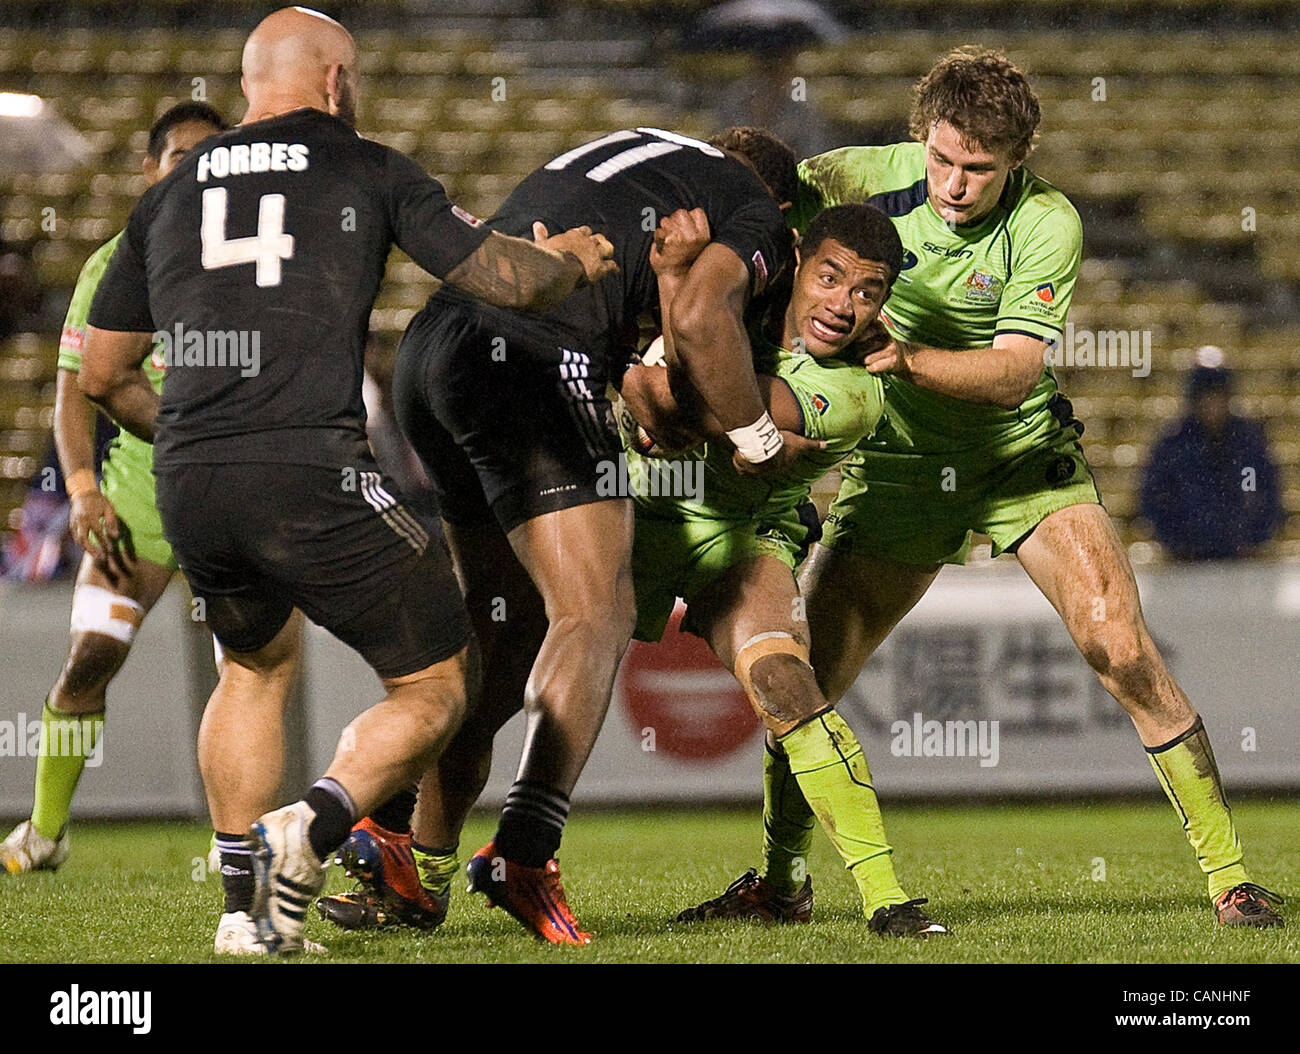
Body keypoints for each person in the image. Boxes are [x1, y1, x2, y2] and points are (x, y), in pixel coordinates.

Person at [683, 46, 1284, 928]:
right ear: (922, 134)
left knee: (1120, 646)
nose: (955, 184)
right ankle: (781, 886)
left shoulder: (1050, 224)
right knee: (809, 685)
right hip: (897, 469)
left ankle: (1230, 878)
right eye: (943, 159)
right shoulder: (854, 178)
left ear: (1017, 164)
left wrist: (904, 359)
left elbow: (1011, 374)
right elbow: (754, 201)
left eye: (978, 170)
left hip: (1017, 459)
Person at [78, 6, 615, 955]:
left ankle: (242, 915)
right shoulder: (364, 162)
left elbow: (104, 372)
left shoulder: (169, 192)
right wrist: (572, 260)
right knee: (443, 680)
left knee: (250, 667)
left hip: (193, 475)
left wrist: (204, 436)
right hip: (309, 468)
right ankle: (314, 825)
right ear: (335, 81)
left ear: (250, 86)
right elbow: (506, 278)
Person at [327, 125, 804, 945]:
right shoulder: (754, 210)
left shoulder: (635, 157)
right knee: (596, 614)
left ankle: (406, 854)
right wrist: (756, 437)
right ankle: (524, 850)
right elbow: (698, 323)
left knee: (503, 634)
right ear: (778, 209)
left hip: (436, 350)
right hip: (532, 358)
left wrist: (665, 309)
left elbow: (650, 377)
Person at [619, 203, 945, 935]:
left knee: (785, 682)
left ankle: (886, 900)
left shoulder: (857, 392)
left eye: (868, 293)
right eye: (830, 278)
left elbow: (678, 405)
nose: (843, 305)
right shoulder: (745, 303)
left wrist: (675, 302)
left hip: (737, 538)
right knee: (495, 671)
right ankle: (417, 867)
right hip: (628, 515)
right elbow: (657, 398)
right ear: (797, 263)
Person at [0, 102, 233, 879]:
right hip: (138, 498)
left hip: (235, 491)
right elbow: (74, 390)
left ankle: (236, 845)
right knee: (90, 661)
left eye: (212, 157)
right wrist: (82, 489)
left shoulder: (252, 260)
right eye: (181, 158)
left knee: (252, 671)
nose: (197, 171)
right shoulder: (115, 262)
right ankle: (47, 830)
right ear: (150, 170)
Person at [1140, 352, 1283, 560]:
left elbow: (1267, 493)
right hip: (1188, 564)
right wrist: (1176, 543)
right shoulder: (1173, 446)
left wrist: (1255, 538)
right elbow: (1154, 499)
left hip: (1241, 562)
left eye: (1218, 396)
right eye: (1206, 397)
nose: (1212, 405)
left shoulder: (1248, 443)